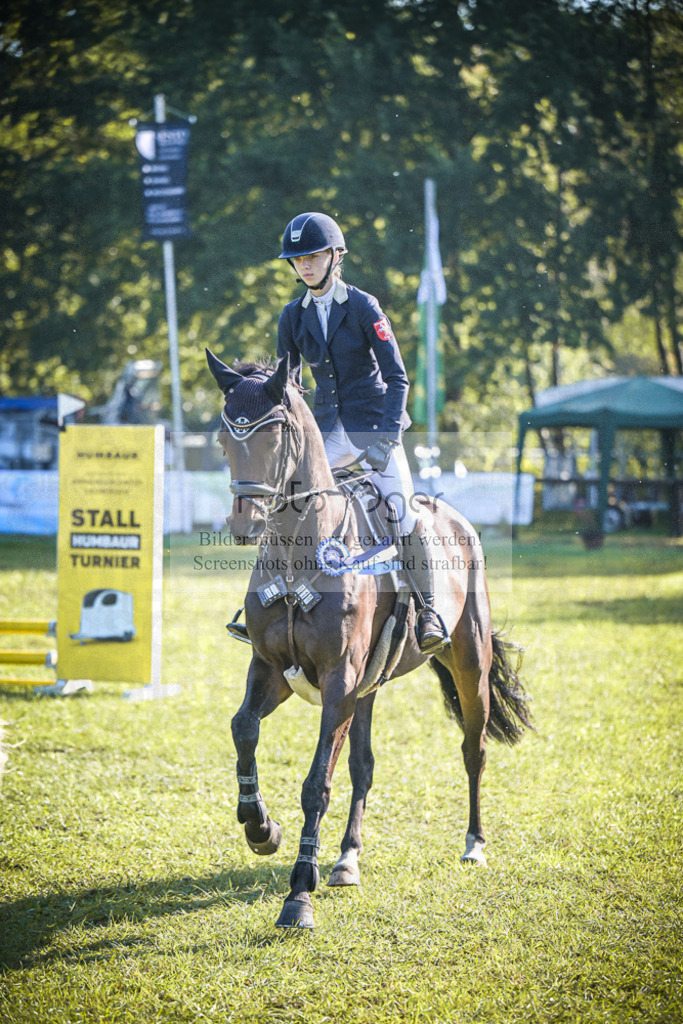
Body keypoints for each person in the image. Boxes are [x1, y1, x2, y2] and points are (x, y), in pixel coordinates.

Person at [276, 211, 448, 654]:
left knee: (403, 513)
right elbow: (288, 388)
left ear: (336, 256)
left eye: (313, 256)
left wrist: (388, 439)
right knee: (286, 503)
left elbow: (398, 379)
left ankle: (429, 610)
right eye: (298, 259)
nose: (305, 265)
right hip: (327, 433)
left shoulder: (364, 306)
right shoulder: (292, 316)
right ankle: (269, 600)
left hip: (374, 429)